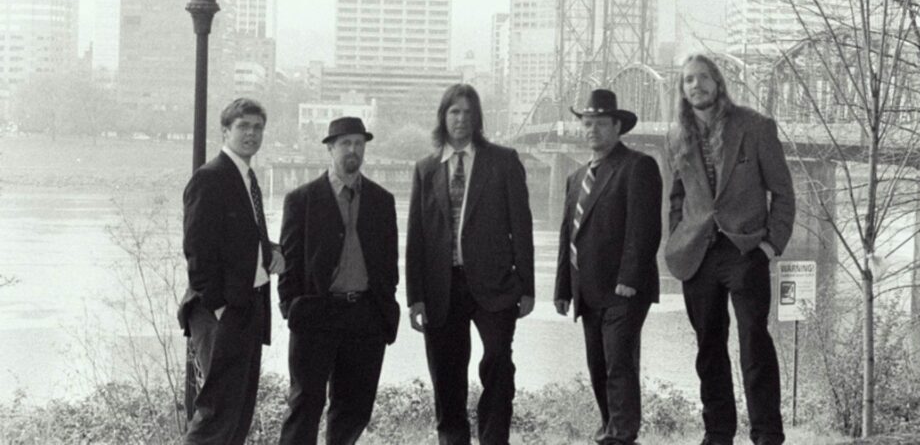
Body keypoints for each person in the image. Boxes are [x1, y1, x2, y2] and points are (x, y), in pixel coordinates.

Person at [665, 53, 795, 445]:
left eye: (704, 78)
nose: (696, 85)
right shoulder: (676, 136)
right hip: (697, 254)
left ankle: (767, 435)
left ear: (718, 83)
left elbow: (783, 193)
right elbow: (677, 196)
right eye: (689, 80)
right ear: (683, 90)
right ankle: (718, 433)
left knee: (754, 343)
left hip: (744, 250)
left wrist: (770, 246)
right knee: (708, 346)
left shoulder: (754, 127)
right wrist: (678, 237)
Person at [405, 83, 535, 445]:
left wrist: (526, 286)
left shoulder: (503, 161)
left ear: (477, 117)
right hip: (440, 287)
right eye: (453, 111)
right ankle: (453, 439)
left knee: (497, 362)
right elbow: (416, 236)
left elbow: (521, 227)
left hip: (495, 286)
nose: (460, 119)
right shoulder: (426, 169)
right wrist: (415, 296)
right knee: (446, 374)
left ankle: (494, 438)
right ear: (443, 117)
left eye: (467, 111)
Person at [277, 117, 400, 445]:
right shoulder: (301, 200)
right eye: (345, 143)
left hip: (365, 317)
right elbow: (289, 263)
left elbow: (389, 263)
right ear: (330, 149)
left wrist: (384, 311)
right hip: (317, 315)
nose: (353, 150)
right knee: (305, 405)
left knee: (354, 410)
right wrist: (292, 307)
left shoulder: (381, 201)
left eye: (359, 144)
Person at [553, 89, 663, 445]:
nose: (592, 130)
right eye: (587, 123)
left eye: (601, 123)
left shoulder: (638, 166)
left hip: (622, 290)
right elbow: (567, 235)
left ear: (618, 127)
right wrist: (562, 289)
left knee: (619, 363)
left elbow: (644, 228)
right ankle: (608, 427)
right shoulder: (576, 177)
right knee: (598, 364)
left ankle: (621, 433)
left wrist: (630, 279)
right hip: (587, 289)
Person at [178, 97, 285, 445]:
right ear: (225, 131)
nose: (252, 134)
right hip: (221, 312)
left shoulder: (246, 178)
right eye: (243, 126)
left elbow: (237, 238)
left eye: (258, 127)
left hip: (248, 306)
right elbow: (197, 250)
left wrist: (268, 253)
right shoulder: (210, 178)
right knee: (215, 414)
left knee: (238, 415)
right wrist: (219, 307)